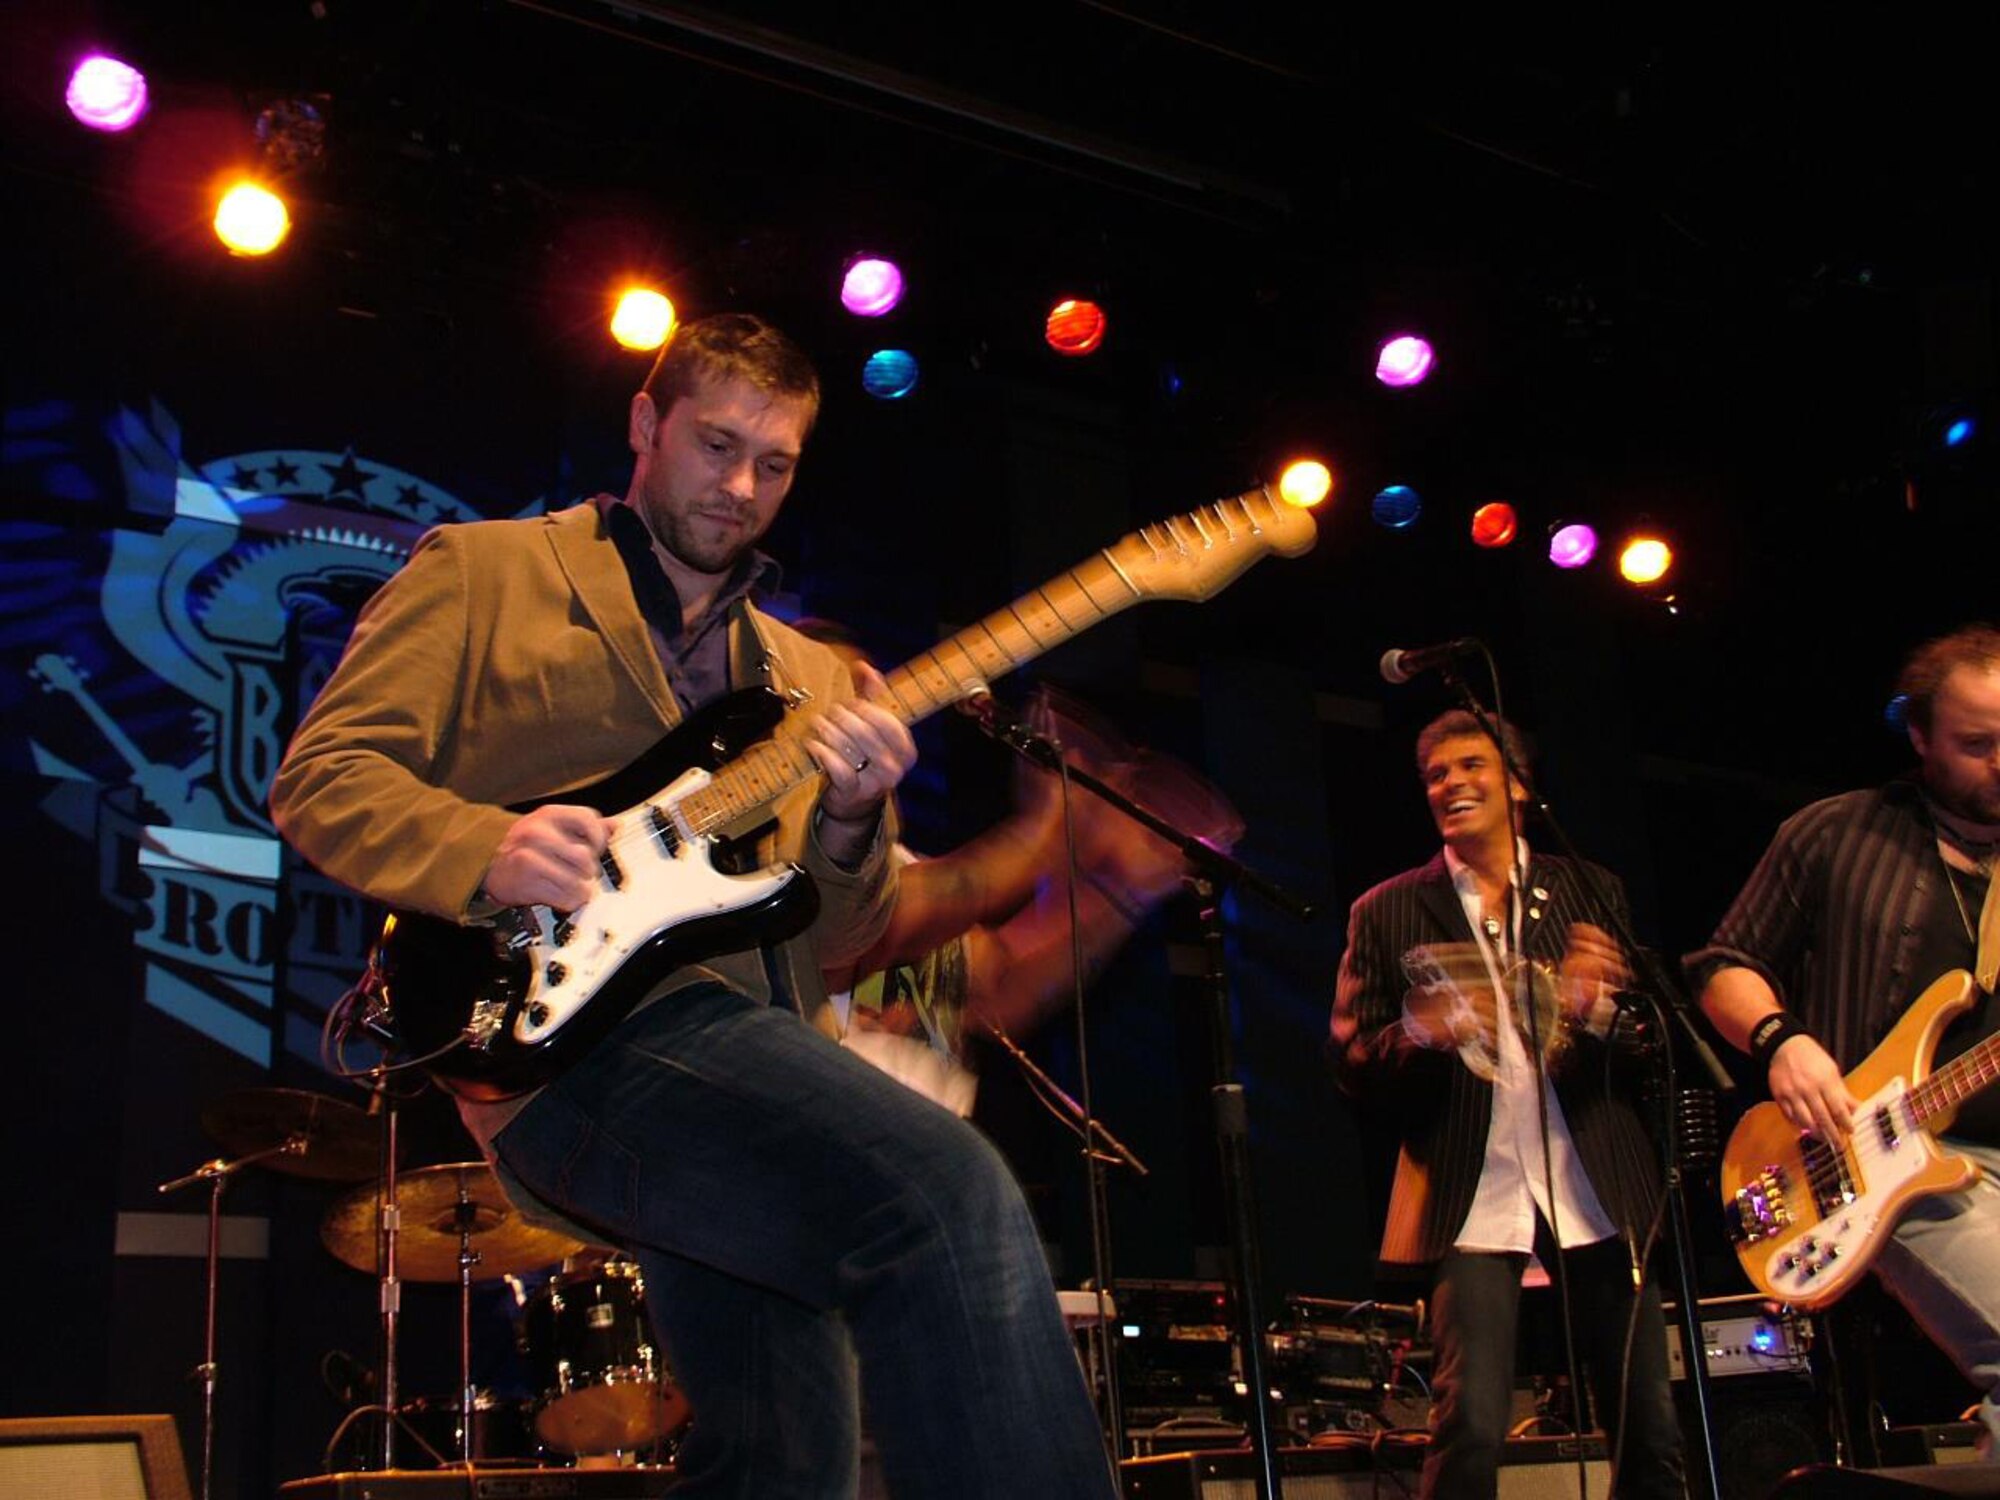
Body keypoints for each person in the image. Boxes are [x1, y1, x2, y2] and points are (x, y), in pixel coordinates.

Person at [270, 314, 1118, 1499]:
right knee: (947, 1194)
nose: (740, 487)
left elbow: (838, 936)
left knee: (779, 1462)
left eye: (774, 465)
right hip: (569, 1041)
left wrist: (850, 819)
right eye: (716, 446)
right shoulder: (484, 571)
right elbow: (321, 778)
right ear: (643, 424)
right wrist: (488, 845)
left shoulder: (808, 680)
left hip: (749, 1052)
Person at [1329, 710, 1683, 1500]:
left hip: (1595, 1180)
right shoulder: (1386, 910)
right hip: (1471, 1190)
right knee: (1472, 1424)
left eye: (1468, 765)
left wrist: (1598, 1012)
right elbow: (1352, 1065)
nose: (1450, 784)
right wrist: (1418, 1035)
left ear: (1518, 784)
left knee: (1648, 1425)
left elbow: (1650, 1049)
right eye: (1435, 775)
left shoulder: (1591, 890)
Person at [1689, 622, 2000, 1459]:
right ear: (1921, 737)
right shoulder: (1838, 833)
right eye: (1978, 744)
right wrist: (1782, 1040)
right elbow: (1722, 965)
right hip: (1879, 1161)